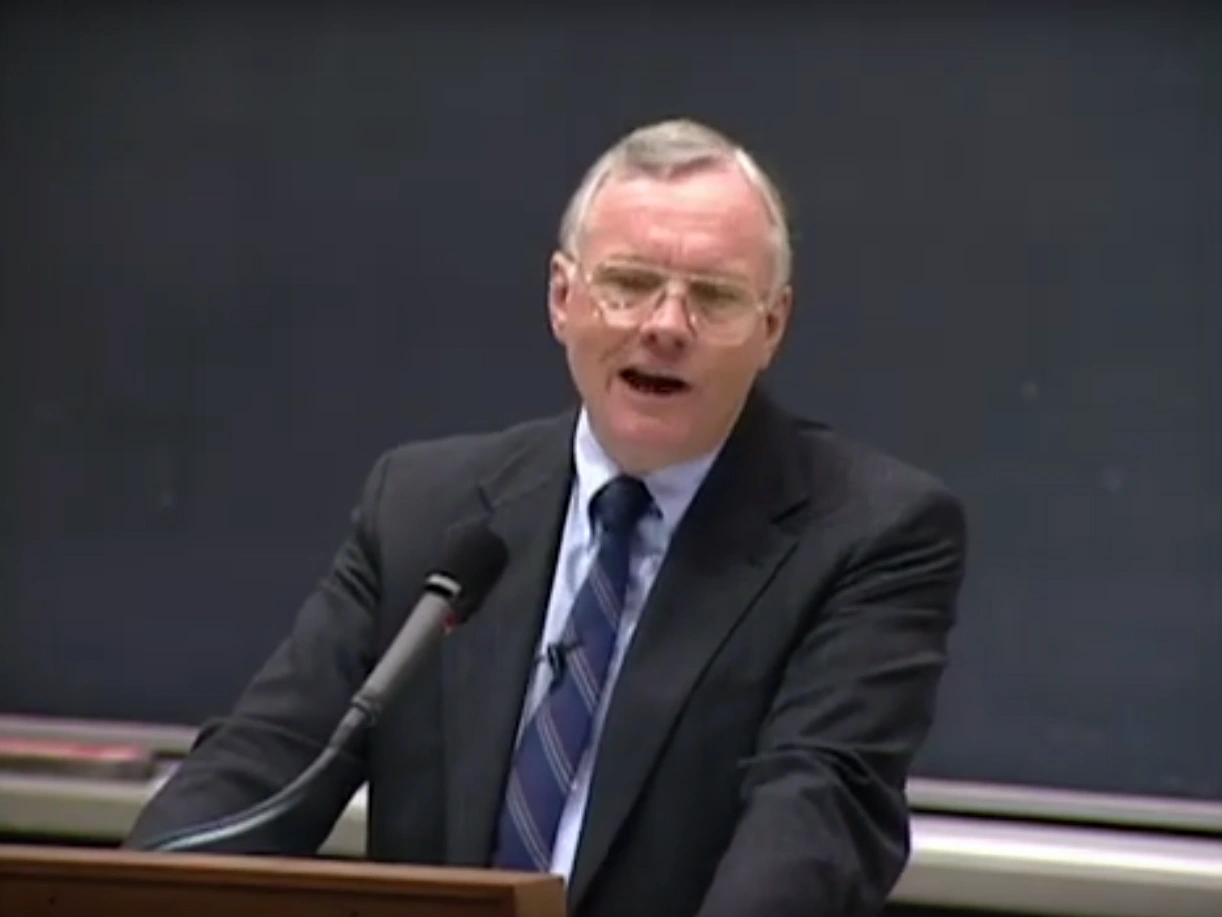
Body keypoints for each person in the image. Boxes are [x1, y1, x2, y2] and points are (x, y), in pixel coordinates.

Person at [126, 118, 968, 917]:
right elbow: (263, 765)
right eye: (630, 284)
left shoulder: (867, 533)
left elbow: (813, 816)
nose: (665, 326)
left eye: (712, 296)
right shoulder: (429, 506)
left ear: (772, 325)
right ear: (563, 297)